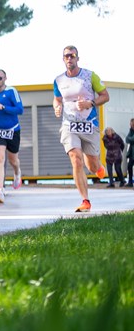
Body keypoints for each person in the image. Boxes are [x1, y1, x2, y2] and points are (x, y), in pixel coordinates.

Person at [52, 45, 109, 212]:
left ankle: (98, 167)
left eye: (72, 55)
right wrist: (57, 107)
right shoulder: (58, 80)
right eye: (66, 56)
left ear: (77, 58)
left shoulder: (90, 76)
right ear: (63, 59)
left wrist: (90, 103)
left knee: (92, 165)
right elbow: (57, 99)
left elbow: (105, 96)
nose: (69, 58)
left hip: (89, 125)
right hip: (69, 125)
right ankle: (85, 201)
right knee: (76, 158)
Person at [0, 69, 24, 203]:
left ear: (5, 78)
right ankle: (0, 190)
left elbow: (20, 110)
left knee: (13, 160)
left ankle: (17, 173)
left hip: (13, 130)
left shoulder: (11, 91)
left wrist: (3, 107)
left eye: (0, 78)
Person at [126, 118, 134, 188]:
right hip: (131, 153)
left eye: (132, 124)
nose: (131, 125)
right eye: (131, 124)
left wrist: (130, 139)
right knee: (129, 167)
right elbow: (127, 139)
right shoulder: (131, 130)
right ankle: (130, 182)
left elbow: (131, 139)